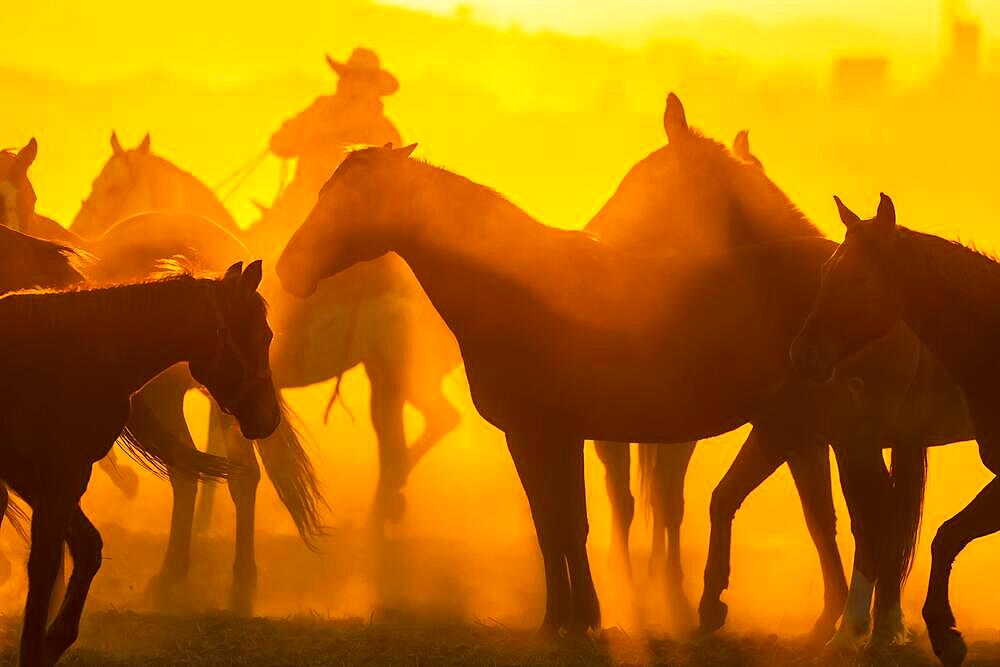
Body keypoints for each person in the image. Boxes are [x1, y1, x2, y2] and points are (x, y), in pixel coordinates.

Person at [261, 48, 402, 242]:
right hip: (295, 208)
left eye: (361, 79)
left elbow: (391, 185)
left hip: (351, 222)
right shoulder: (320, 110)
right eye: (349, 76)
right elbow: (280, 143)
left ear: (374, 87)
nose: (352, 83)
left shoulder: (383, 131)